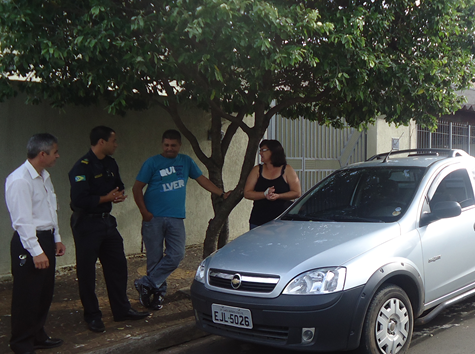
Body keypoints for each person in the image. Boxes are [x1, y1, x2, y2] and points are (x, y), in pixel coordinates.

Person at [132, 130, 231, 310]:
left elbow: (202, 179)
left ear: (179, 145)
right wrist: (144, 212)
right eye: (166, 145)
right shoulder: (152, 162)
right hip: (153, 218)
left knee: (177, 254)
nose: (169, 149)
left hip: (176, 217)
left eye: (173, 145)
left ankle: (146, 283)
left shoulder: (186, 161)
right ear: (162, 145)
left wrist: (222, 193)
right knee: (154, 259)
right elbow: (137, 188)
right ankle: (157, 295)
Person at [68, 126, 149, 333]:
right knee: (87, 271)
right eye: (113, 141)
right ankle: (93, 315)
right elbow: (79, 200)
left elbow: (118, 185)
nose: (116, 144)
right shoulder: (82, 167)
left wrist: (118, 194)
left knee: (117, 266)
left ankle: (121, 310)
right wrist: (106, 197)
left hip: (106, 222)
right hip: (87, 223)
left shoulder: (111, 164)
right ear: (101, 142)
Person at [5, 133, 67, 354]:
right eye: (55, 152)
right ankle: (21, 343)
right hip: (29, 241)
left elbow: (51, 209)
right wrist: (36, 250)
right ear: (43, 154)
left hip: (46, 237)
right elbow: (22, 220)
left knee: (44, 292)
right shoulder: (20, 180)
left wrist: (56, 237)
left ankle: (37, 335)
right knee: (27, 295)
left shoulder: (44, 176)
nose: (57, 156)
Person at [243, 139, 301, 229]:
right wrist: (264, 194)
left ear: (274, 151)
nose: (260, 153)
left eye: (263, 150)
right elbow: (247, 193)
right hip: (259, 220)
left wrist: (278, 196)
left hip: (283, 223)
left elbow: (297, 193)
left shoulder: (287, 169)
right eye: (260, 150)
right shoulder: (257, 169)